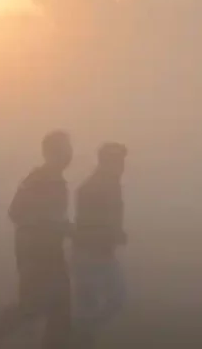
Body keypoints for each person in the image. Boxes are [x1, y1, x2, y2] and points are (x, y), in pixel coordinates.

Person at [0, 131, 75, 349]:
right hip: (35, 254)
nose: (68, 154)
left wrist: (65, 228)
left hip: (51, 251)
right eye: (63, 149)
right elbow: (16, 212)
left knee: (59, 308)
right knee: (35, 305)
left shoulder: (56, 180)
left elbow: (54, 217)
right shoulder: (37, 180)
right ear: (50, 153)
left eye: (68, 149)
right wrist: (50, 224)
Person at [70, 142, 129, 347]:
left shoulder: (112, 185)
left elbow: (111, 220)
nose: (122, 167)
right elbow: (87, 226)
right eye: (118, 162)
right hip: (87, 255)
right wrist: (111, 234)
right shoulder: (91, 188)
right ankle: (78, 336)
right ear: (106, 162)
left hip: (102, 254)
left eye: (122, 162)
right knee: (92, 304)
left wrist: (116, 233)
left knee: (115, 298)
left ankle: (80, 334)